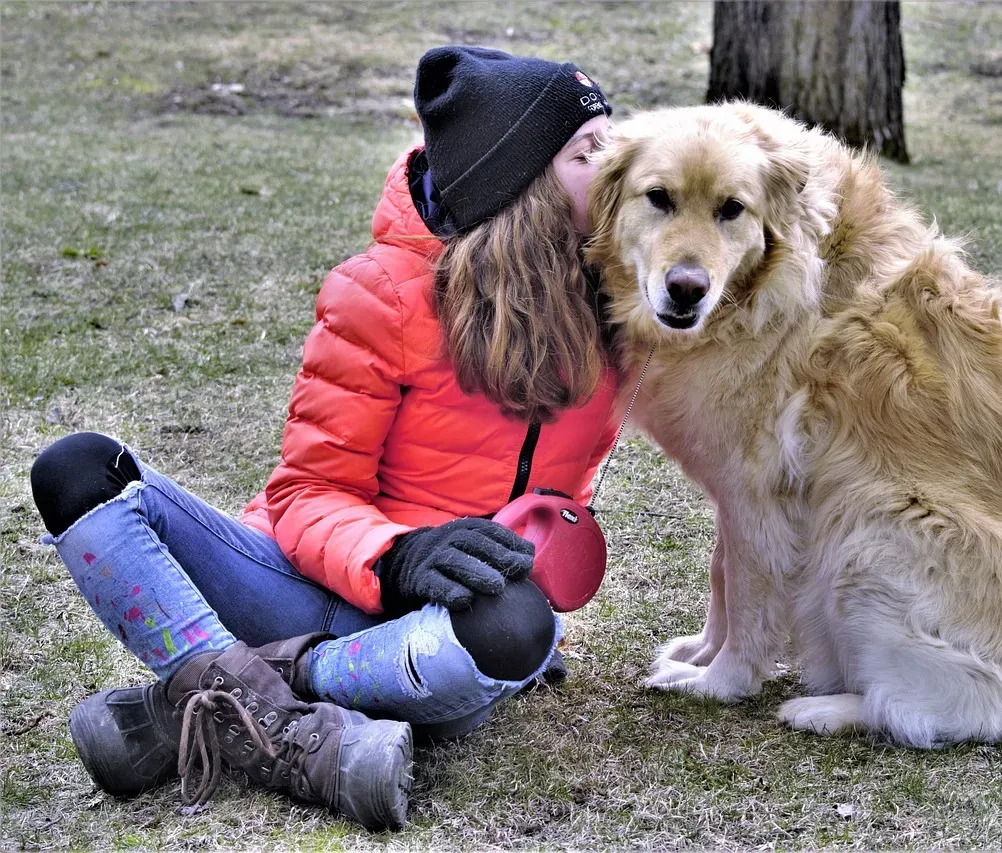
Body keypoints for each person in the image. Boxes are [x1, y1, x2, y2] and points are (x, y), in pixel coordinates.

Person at [29, 46, 619, 832]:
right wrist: (401, 555)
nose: (622, 163)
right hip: (312, 583)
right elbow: (306, 495)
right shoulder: (378, 294)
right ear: (522, 181)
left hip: (441, 634)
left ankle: (222, 700)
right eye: (590, 151)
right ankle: (280, 722)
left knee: (518, 627)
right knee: (75, 469)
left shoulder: (625, 301)